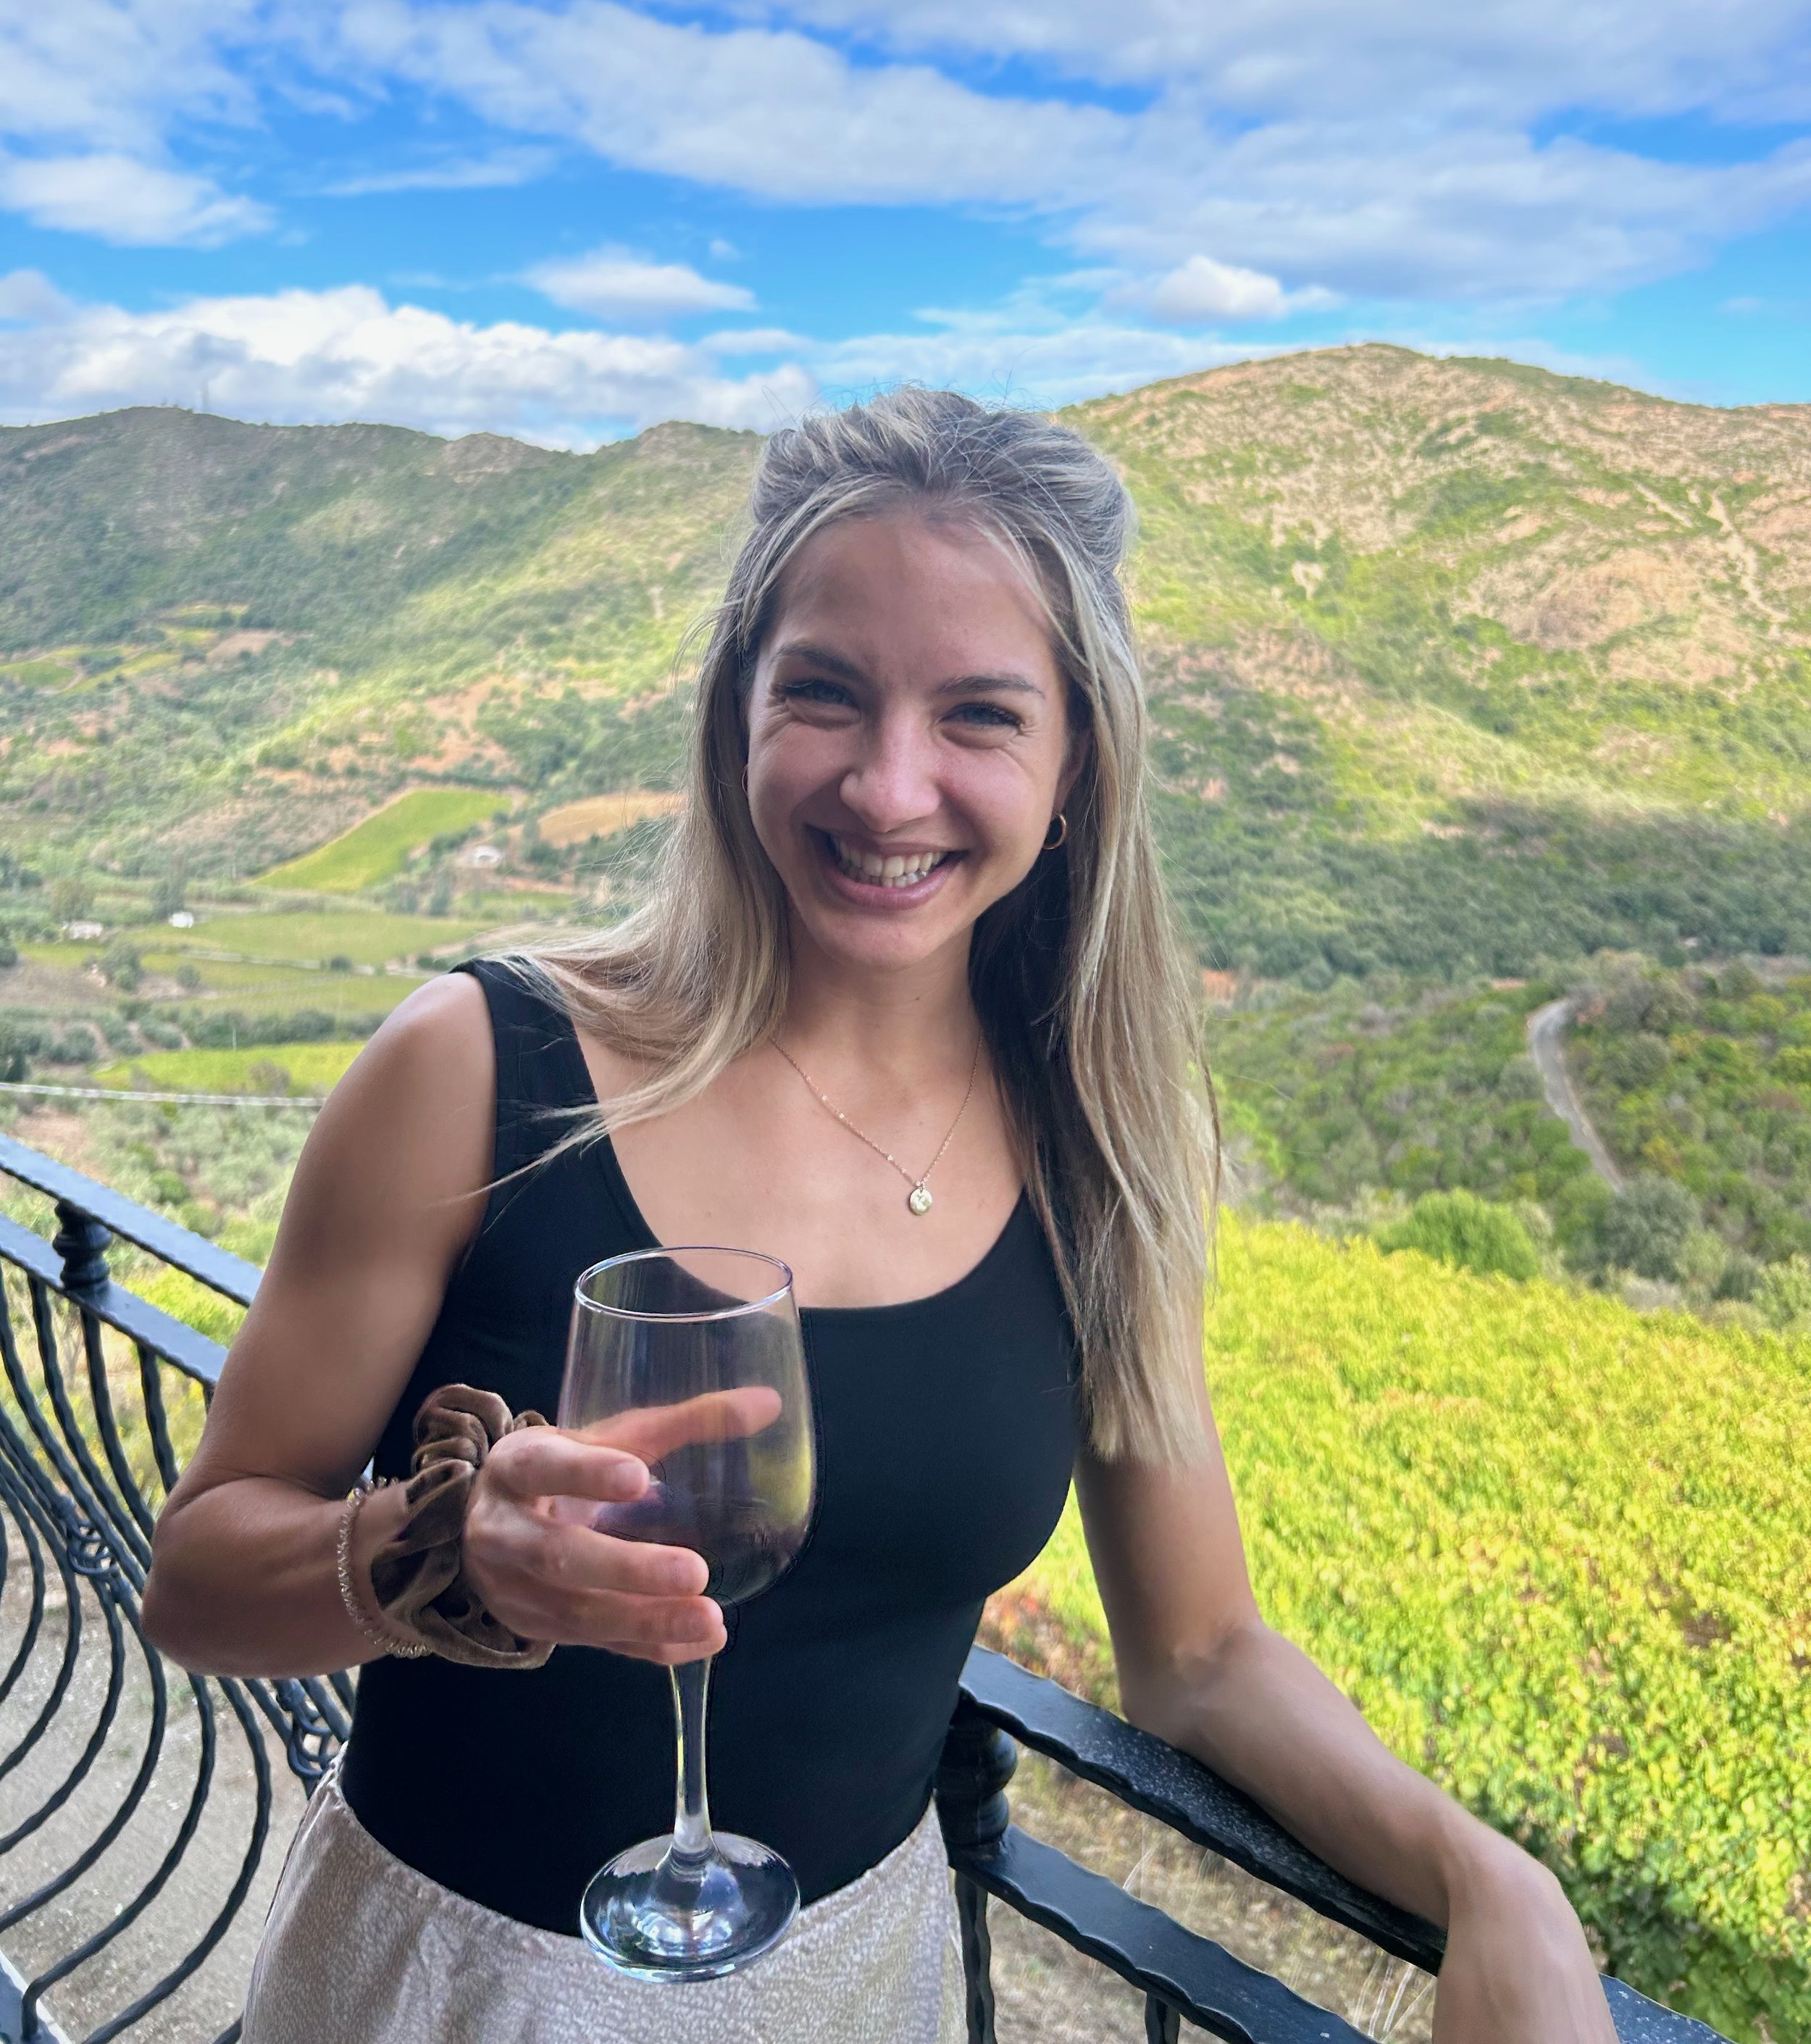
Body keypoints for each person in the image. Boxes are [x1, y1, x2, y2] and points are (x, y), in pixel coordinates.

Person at [143, 391, 1617, 2044]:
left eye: (979, 715)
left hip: (856, 1985)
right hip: (457, 1989)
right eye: (823, 692)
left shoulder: (1099, 1149)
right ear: (737, 718)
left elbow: (1196, 1646)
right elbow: (197, 1576)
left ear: (1073, 764)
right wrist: (432, 1551)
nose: (887, 784)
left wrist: (1490, 1878)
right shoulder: (479, 1067)